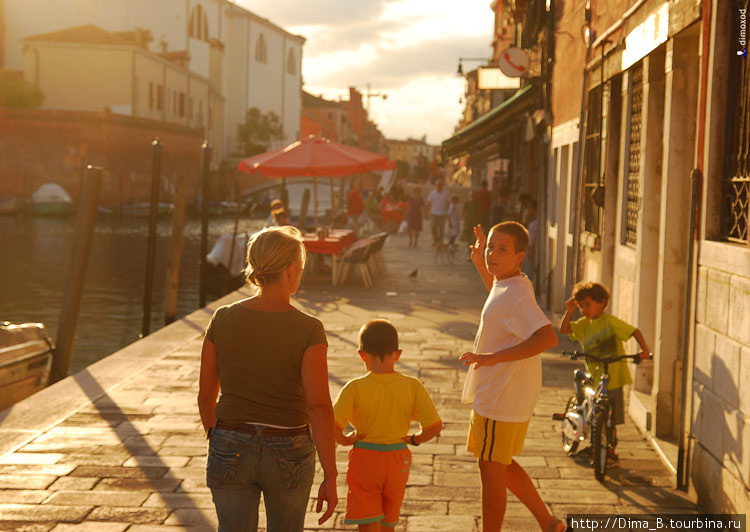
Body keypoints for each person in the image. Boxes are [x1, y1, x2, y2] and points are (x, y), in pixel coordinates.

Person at [198, 226, 338, 532]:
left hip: (229, 440)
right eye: (300, 269)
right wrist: (331, 474)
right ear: (291, 271)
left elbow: (205, 396)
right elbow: (317, 406)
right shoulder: (309, 329)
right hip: (288, 446)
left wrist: (218, 438)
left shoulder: (221, 318)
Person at [459, 222, 565, 532]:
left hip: (500, 396)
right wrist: (479, 261)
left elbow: (547, 338)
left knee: (491, 472)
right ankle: (549, 523)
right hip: (499, 393)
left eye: (501, 249)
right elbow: (497, 300)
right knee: (499, 465)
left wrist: (490, 358)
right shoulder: (509, 283)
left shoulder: (517, 293)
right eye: (490, 246)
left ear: (521, 255)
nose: (493, 253)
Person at [333, 319, 443, 531]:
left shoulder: (354, 388)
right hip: (397, 459)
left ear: (362, 355)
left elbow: (332, 425)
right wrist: (414, 439)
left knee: (368, 521)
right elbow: (435, 427)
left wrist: (345, 440)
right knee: (388, 523)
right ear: (398, 354)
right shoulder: (413, 386)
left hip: (365, 459)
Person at [559, 281, 652, 462]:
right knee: (593, 413)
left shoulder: (611, 322)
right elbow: (564, 330)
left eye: (587, 304)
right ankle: (593, 445)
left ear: (601, 302)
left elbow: (634, 331)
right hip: (594, 375)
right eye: (580, 306)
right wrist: (569, 312)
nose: (584, 309)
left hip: (613, 377)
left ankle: (611, 450)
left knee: (612, 418)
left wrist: (645, 350)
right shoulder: (583, 324)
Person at [424, 180, 451, 247]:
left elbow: (448, 203)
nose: (439, 186)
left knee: (441, 228)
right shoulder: (432, 193)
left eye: (440, 185)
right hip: (434, 213)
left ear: (442, 185)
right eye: (437, 185)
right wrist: (426, 213)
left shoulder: (446, 193)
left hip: (443, 213)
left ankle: (440, 241)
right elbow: (428, 203)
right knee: (433, 226)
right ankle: (435, 239)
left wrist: (449, 213)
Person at [521, 199, 538, 283]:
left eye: (530, 208)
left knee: (528, 269)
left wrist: (532, 250)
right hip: (529, 246)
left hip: (531, 247)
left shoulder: (536, 222)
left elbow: (536, 237)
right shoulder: (533, 220)